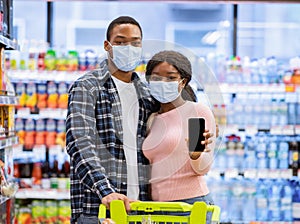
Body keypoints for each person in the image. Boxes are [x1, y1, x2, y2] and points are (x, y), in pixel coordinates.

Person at [66, 16, 160, 224]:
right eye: (120, 42)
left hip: (138, 207)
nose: (128, 47)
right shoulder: (87, 87)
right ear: (107, 46)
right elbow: (79, 142)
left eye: (135, 43)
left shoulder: (146, 94)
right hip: (98, 207)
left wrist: (202, 128)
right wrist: (105, 190)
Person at [142, 50, 217, 222]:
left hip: (190, 205)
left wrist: (196, 155)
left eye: (170, 77)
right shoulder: (153, 119)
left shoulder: (196, 112)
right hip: (157, 207)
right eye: (156, 78)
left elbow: (203, 168)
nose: (163, 83)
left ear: (182, 82)